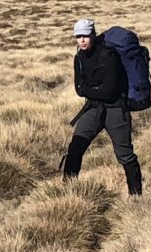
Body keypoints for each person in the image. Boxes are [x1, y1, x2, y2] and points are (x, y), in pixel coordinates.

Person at [61, 18, 143, 197]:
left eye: (85, 36)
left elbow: (108, 90)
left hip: (116, 109)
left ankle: (136, 196)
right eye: (78, 36)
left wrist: (90, 90)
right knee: (75, 147)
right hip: (93, 108)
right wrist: (93, 91)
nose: (82, 40)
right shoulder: (79, 58)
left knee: (124, 154)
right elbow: (79, 89)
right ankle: (66, 191)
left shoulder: (109, 55)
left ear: (93, 35)